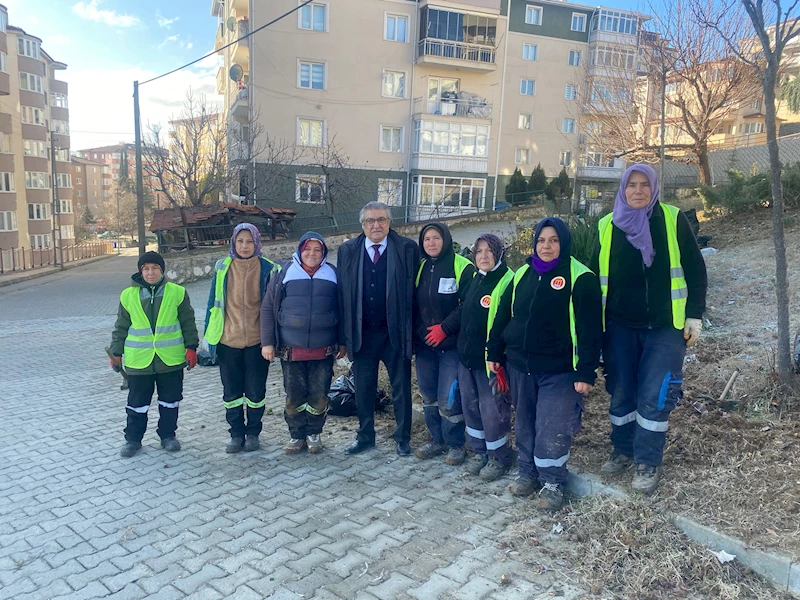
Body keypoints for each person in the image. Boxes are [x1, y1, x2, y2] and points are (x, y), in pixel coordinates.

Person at [590, 164, 707, 493]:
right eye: (632, 185)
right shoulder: (607, 225)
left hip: (665, 328)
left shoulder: (671, 218)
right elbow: (594, 280)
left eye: (644, 185)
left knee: (656, 395)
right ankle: (623, 449)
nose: (638, 191)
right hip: (618, 328)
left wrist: (694, 314)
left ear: (654, 189)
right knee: (622, 391)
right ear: (622, 190)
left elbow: (695, 270)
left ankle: (647, 460)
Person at [488, 218, 602, 510]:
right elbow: (503, 315)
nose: (547, 246)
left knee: (552, 426)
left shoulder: (580, 277)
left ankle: (552, 482)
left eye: (553, 240)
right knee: (525, 423)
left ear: (563, 243)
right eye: (541, 240)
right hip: (519, 366)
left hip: (560, 370)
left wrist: (586, 370)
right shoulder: (523, 273)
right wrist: (494, 353)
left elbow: (591, 329)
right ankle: (527, 472)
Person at [337, 201, 420, 455]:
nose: (376, 225)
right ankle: (365, 436)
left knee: (401, 388)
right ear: (362, 225)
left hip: (395, 334)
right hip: (362, 333)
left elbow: (415, 295)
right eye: (370, 221)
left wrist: (413, 333)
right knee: (363, 388)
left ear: (389, 222)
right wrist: (342, 337)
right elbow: (342, 296)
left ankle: (402, 438)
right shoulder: (348, 250)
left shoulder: (406, 248)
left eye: (381, 220)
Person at [261, 232, 343, 454]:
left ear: (324, 253)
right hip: (291, 349)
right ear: (300, 250)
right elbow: (268, 308)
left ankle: (314, 434)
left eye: (317, 250)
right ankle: (296, 435)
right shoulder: (284, 273)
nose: (312, 254)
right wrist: (267, 342)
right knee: (294, 395)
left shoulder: (333, 274)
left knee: (319, 394)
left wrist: (343, 343)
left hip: (323, 349)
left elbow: (343, 310)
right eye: (308, 249)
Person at [110, 251, 199, 458]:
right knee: (137, 403)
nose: (150, 273)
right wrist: (116, 352)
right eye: (146, 269)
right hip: (139, 361)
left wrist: (191, 347)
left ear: (162, 270)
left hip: (170, 359)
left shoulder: (177, 292)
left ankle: (168, 435)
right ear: (140, 272)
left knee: (170, 401)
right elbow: (121, 327)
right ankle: (133, 439)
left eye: (155, 268)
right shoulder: (128, 295)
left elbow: (188, 322)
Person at [204, 224, 280, 453]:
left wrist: (273, 341)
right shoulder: (222, 268)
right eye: (240, 241)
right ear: (233, 243)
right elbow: (212, 303)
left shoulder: (269, 269)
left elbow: (275, 308)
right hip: (228, 341)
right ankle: (236, 434)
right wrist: (211, 341)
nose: (245, 246)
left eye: (249, 241)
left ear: (257, 242)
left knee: (256, 392)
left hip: (258, 342)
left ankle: (253, 433)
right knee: (231, 393)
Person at [413, 222, 474, 465]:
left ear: (446, 239)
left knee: (449, 399)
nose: (431, 243)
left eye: (436, 237)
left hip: (451, 345)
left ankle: (455, 444)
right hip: (425, 346)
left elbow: (467, 305)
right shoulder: (420, 267)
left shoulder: (462, 266)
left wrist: (444, 329)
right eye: (427, 239)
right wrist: (420, 334)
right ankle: (435, 439)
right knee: (428, 396)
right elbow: (414, 305)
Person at [456, 234, 515, 482]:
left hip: (491, 361)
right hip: (467, 358)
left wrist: (498, 356)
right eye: (479, 251)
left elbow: (507, 324)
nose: (483, 256)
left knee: (493, 411)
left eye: (489, 251)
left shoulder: (508, 281)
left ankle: (498, 456)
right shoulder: (475, 279)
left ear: (499, 253)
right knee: (471, 407)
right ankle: (480, 452)